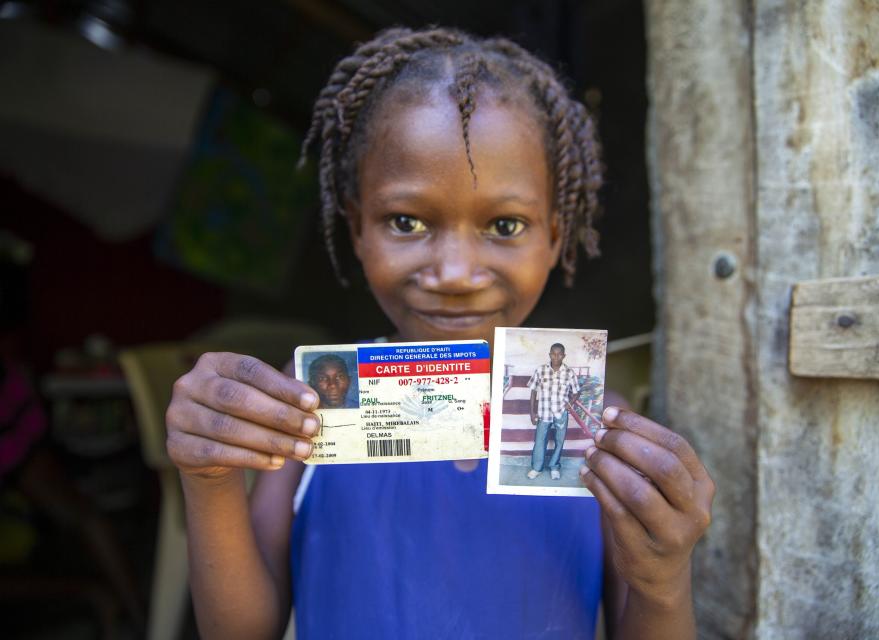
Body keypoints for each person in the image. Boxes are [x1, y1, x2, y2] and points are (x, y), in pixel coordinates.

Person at [165, 26, 715, 639]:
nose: (455, 274)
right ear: (357, 230)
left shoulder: (593, 431)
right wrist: (209, 479)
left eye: (505, 225)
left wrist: (664, 579)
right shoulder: (314, 404)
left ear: (555, 236)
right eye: (406, 221)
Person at [527, 342, 580, 480]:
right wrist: (532, 412)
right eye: (553, 353)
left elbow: (576, 392)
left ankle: (554, 467)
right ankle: (536, 468)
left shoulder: (569, 373)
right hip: (543, 412)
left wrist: (570, 404)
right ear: (549, 354)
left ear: (564, 356)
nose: (556, 357)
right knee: (540, 440)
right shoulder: (540, 370)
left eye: (560, 354)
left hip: (561, 412)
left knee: (559, 440)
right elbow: (533, 391)